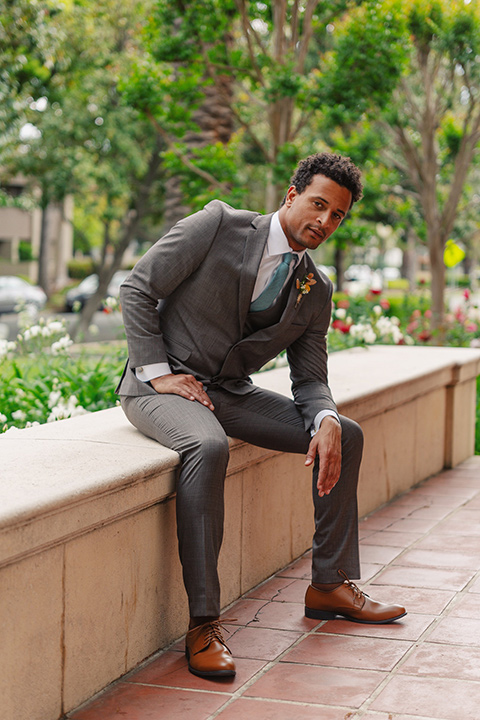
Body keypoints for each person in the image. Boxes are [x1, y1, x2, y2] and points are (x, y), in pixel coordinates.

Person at [117, 152, 406, 679]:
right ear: (291, 195)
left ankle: (329, 584)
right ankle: (203, 623)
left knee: (346, 433)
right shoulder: (218, 224)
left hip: (227, 392)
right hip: (159, 386)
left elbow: (311, 380)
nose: (324, 221)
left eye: (337, 215)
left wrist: (325, 419)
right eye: (318, 204)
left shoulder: (315, 290)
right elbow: (138, 288)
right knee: (206, 447)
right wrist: (159, 373)